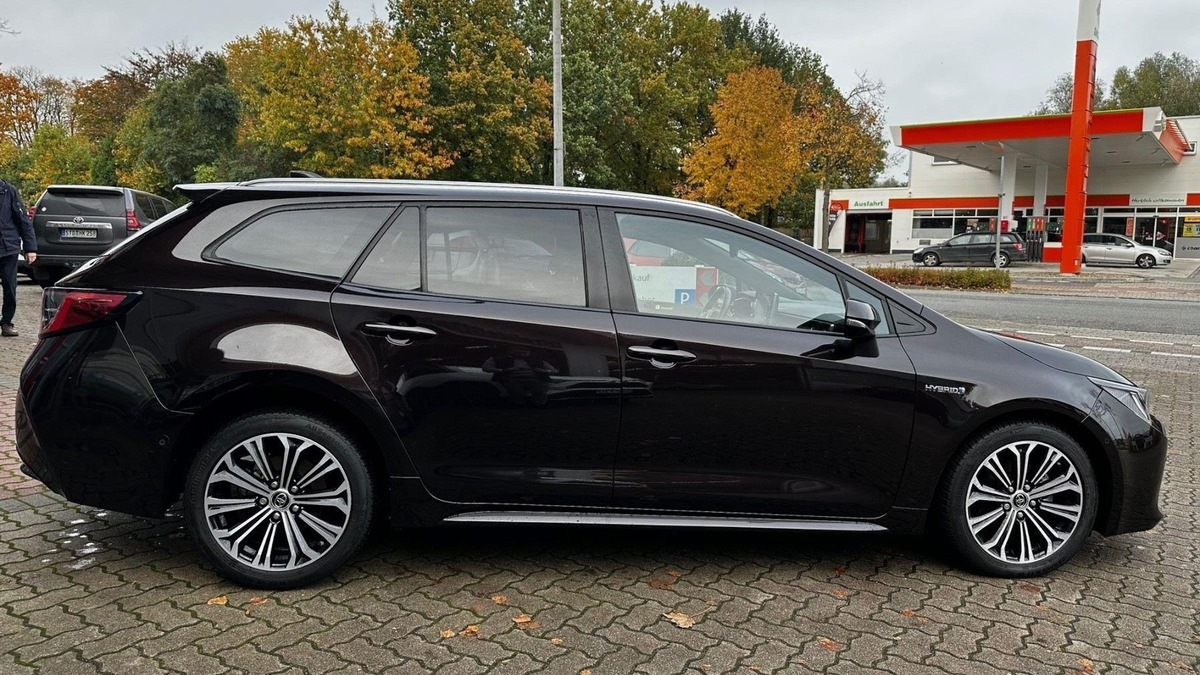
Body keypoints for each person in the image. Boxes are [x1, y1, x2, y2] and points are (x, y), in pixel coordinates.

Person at [1, 179, 37, 337]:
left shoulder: (8, 191)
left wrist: (30, 248)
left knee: (10, 288)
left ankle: (6, 323)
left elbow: (23, 220)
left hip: (8, 247)